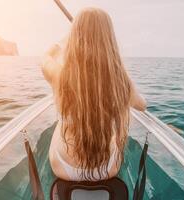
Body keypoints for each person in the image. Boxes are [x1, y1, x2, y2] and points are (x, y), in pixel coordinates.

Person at [41, 7, 146, 181]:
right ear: (109, 40)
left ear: (75, 38)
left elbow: (45, 58)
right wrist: (123, 79)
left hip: (63, 167)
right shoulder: (120, 82)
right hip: (107, 169)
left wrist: (63, 42)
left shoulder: (58, 75)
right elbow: (142, 105)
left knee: (58, 128)